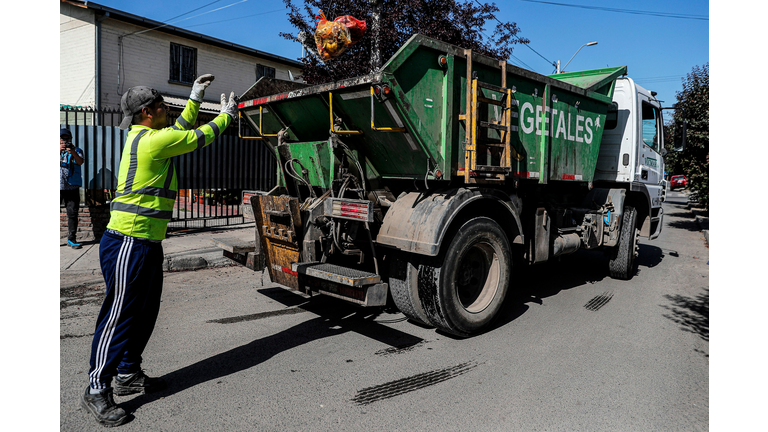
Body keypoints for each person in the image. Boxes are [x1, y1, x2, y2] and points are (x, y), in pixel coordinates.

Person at [80, 74, 237, 427]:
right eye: (164, 106)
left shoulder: (151, 136)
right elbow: (195, 136)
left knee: (145, 312)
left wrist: (196, 96)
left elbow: (180, 127)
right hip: (128, 243)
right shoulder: (151, 142)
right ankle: (96, 388)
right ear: (148, 113)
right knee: (118, 317)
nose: (170, 110)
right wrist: (226, 115)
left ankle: (127, 373)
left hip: (146, 243)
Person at [60, 127, 85, 249]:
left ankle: (72, 238)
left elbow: (80, 162)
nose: (65, 141)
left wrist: (73, 152)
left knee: (72, 213)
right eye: (62, 139)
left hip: (72, 187)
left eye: (67, 139)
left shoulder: (77, 150)